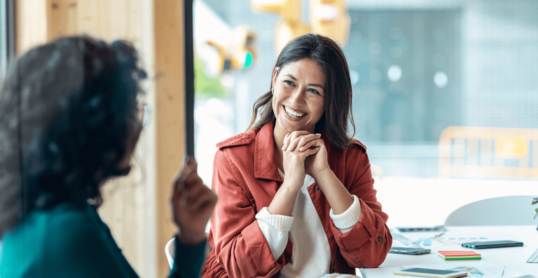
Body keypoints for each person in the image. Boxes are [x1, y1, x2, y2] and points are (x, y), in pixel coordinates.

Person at [0, 36, 217, 278]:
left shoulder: (51, 218)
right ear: (96, 127)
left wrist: (191, 237)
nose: (137, 127)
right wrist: (190, 243)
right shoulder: (67, 235)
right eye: (131, 111)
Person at [203, 34, 392, 278]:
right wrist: (290, 186)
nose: (296, 100)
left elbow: (372, 255)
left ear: (329, 100)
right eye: (289, 83)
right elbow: (240, 267)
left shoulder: (351, 158)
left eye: (313, 90)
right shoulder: (233, 159)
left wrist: (324, 174)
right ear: (274, 79)